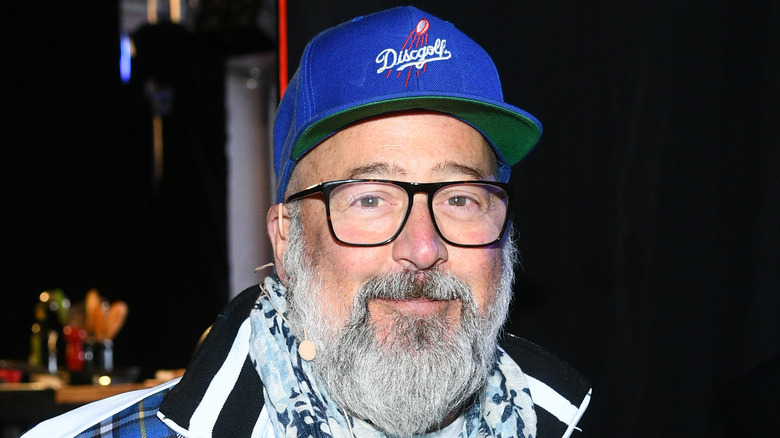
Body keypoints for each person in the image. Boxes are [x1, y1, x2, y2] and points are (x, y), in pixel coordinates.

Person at [24, 6, 591, 438]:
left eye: (461, 200)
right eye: (370, 199)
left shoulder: (562, 424)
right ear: (287, 238)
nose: (423, 247)